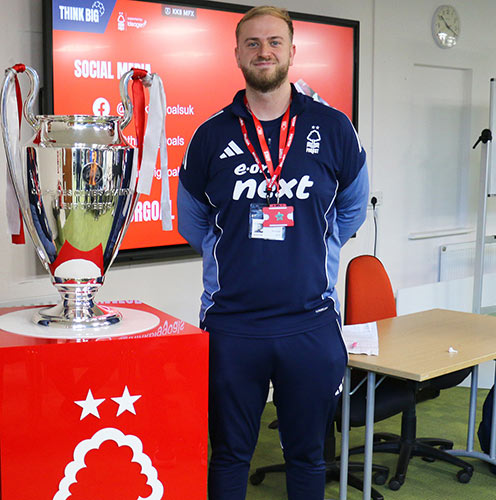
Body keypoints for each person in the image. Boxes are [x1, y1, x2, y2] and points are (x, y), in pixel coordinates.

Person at [177, 6, 368, 500]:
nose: (265, 52)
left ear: (291, 51)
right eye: (253, 43)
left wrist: (311, 250)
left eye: (275, 42)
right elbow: (192, 222)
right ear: (237, 53)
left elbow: (350, 212)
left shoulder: (334, 127)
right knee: (229, 454)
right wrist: (241, 256)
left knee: (307, 457)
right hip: (232, 326)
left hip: (310, 323)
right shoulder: (210, 135)